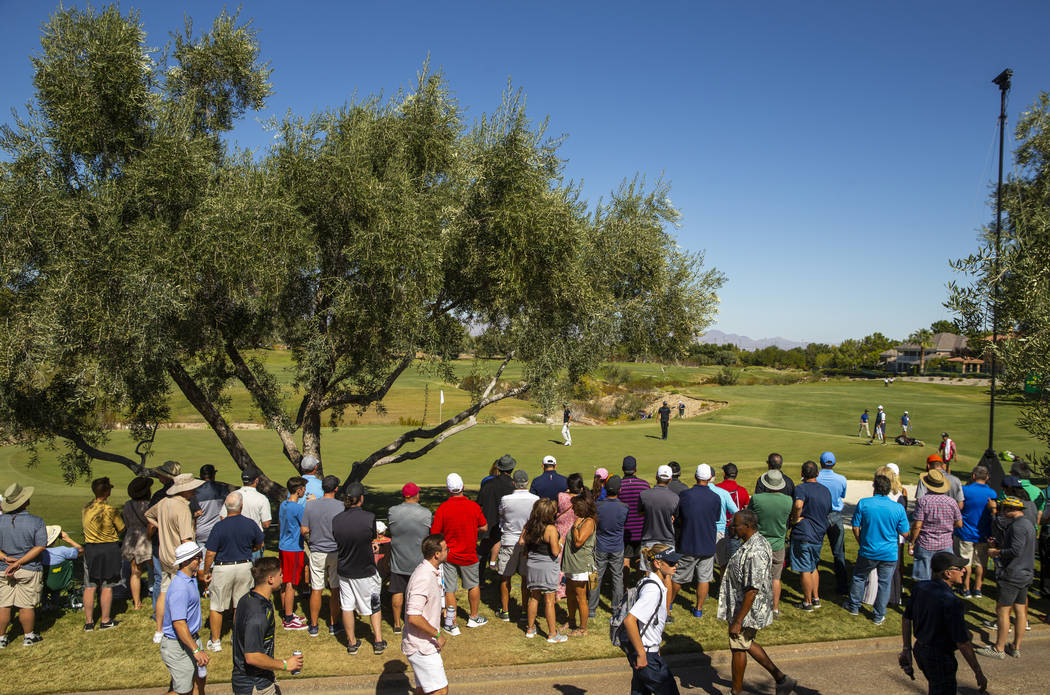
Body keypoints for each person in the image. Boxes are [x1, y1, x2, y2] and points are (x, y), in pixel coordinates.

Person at [718, 510, 797, 695]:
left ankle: (736, 692)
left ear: (748, 526)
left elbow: (752, 590)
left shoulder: (756, 551)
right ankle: (781, 679)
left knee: (738, 646)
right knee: (744, 643)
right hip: (742, 605)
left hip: (747, 608)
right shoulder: (750, 543)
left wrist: (738, 620)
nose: (732, 527)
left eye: (735, 524)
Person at [899, 551, 987, 695]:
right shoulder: (951, 601)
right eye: (959, 568)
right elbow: (963, 643)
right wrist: (978, 672)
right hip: (940, 658)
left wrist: (907, 648)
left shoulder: (920, 588)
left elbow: (906, 618)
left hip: (920, 651)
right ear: (947, 573)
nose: (964, 570)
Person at [231, 556, 304, 695]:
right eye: (280, 574)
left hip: (258, 679)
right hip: (255, 685)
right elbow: (252, 656)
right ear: (270, 579)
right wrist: (285, 664)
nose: (283, 578)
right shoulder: (258, 614)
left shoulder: (246, 599)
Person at [844, 474, 911, 626]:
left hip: (868, 550)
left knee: (859, 577)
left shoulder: (865, 504)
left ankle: (854, 606)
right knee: (884, 583)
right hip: (889, 553)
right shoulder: (897, 508)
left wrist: (861, 541)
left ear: (875, 488)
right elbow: (905, 532)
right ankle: (878, 614)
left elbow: (856, 527)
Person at [202, 491, 265, 650]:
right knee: (240, 603)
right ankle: (236, 636)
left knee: (217, 605)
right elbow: (260, 543)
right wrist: (251, 548)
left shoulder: (219, 526)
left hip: (224, 567)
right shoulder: (250, 523)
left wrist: (206, 570)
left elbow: (210, 552)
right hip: (244, 565)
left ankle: (215, 641)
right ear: (241, 506)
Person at [975, 496, 1036, 660]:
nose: (1002, 512)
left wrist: (997, 552)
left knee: (1002, 611)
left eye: (1004, 509)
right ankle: (1015, 647)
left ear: (1010, 509)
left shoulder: (1016, 527)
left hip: (1012, 574)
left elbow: (1015, 551)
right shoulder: (1028, 524)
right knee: (1021, 610)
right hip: (1025, 573)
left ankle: (999, 648)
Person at [146, 473, 203, 644]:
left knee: (164, 591)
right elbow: (187, 540)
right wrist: (197, 561)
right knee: (184, 593)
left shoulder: (163, 502)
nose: (194, 490)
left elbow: (148, 515)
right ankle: (183, 628)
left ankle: (159, 629)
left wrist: (161, 527)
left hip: (163, 554)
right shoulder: (183, 508)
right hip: (180, 557)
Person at [331, 481, 384, 655]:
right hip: (365, 570)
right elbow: (368, 537)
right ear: (361, 499)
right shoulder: (369, 517)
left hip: (345, 570)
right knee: (374, 604)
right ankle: (377, 640)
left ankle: (352, 643)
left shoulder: (337, 520)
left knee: (347, 606)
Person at [431, 473, 488, 635]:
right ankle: (474, 617)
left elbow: (435, 533)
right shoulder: (473, 506)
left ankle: (451, 623)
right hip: (468, 552)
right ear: (462, 487)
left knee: (449, 589)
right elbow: (484, 527)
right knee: (473, 585)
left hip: (448, 555)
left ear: (449, 491)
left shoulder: (443, 508)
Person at [623, 545, 681, 695]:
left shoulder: (648, 582)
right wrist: (642, 654)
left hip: (647, 652)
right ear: (658, 564)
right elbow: (629, 621)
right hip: (648, 657)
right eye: (671, 563)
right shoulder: (653, 590)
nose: (676, 565)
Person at [671, 464, 723, 619]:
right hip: (707, 542)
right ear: (709, 478)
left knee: (679, 577)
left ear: (695, 476)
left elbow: (679, 516)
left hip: (688, 542)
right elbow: (716, 517)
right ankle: (698, 609)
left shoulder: (686, 495)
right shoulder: (715, 497)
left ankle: (670, 603)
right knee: (704, 578)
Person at [402, 534, 451, 695]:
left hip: (422, 644)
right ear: (437, 554)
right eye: (445, 548)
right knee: (440, 690)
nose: (448, 550)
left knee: (423, 689)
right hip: (422, 646)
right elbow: (414, 616)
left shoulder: (430, 571)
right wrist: (437, 634)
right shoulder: (423, 577)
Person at [159, 542, 209, 695]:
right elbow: (179, 624)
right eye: (197, 558)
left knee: (199, 679)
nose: (201, 560)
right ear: (187, 561)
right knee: (183, 691)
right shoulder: (180, 588)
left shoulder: (190, 579)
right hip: (178, 646)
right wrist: (196, 650)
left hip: (190, 640)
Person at [0, 482, 46, 647]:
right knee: (26, 604)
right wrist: (19, 562)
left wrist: (6, 559)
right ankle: (28, 636)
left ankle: (2, 639)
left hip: (3, 569)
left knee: (4, 604)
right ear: (25, 501)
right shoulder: (36, 521)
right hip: (28, 568)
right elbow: (40, 546)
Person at [300, 474, 344, 637]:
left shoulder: (311, 506)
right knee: (334, 589)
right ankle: (333, 624)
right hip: (335, 551)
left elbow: (304, 529)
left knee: (316, 589)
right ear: (336, 489)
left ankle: (313, 625)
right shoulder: (341, 506)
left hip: (317, 551)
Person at [387, 482, 434, 633]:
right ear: (417, 496)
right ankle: (420, 619)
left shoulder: (392, 511)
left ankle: (396, 624)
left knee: (397, 591)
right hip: (419, 561)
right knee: (420, 592)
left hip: (398, 560)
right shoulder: (426, 513)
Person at [747, 470, 793, 617]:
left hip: (760, 542)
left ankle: (755, 606)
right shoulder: (788, 500)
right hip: (778, 543)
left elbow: (749, 515)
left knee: (756, 577)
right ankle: (774, 609)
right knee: (775, 578)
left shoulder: (757, 499)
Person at [862, 464, 908, 608]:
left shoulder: (897, 497)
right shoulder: (899, 496)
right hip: (891, 538)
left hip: (889, 538)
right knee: (889, 571)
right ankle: (888, 597)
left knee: (889, 571)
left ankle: (891, 597)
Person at [82, 477, 125, 631]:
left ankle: (89, 621)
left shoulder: (86, 508)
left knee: (90, 585)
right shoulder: (110, 510)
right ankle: (105, 620)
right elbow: (121, 528)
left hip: (91, 548)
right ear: (107, 492)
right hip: (108, 548)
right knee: (107, 586)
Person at [496, 470, 539, 622]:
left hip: (509, 540)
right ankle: (524, 611)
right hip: (527, 542)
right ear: (527, 483)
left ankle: (506, 611)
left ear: (514, 483)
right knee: (525, 578)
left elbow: (501, 516)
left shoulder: (505, 499)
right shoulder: (535, 499)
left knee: (505, 576)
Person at [522, 498, 566, 642]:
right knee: (549, 600)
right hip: (547, 565)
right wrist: (560, 543)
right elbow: (555, 551)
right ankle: (552, 634)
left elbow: (521, 541)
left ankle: (530, 628)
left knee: (534, 597)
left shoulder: (530, 526)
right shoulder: (551, 529)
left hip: (533, 563)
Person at [789, 461, 830, 611]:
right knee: (813, 566)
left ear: (802, 474)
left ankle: (807, 602)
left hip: (804, 533)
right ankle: (816, 597)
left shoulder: (801, 488)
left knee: (805, 568)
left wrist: (795, 518)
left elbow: (798, 505)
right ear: (817, 473)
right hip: (819, 533)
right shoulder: (825, 490)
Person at [910, 470, 963, 581]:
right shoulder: (952, 502)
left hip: (926, 543)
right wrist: (946, 526)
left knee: (923, 579)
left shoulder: (923, 501)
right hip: (945, 543)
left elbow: (917, 525)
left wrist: (912, 541)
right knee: (944, 578)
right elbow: (959, 523)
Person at [589, 475, 628, 619]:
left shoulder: (598, 506)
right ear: (619, 490)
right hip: (615, 546)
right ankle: (616, 607)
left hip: (601, 546)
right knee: (617, 577)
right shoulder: (624, 507)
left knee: (596, 576)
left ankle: (592, 608)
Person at [955, 466, 997, 598]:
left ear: (973, 476)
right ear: (987, 478)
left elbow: (959, 508)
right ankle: (978, 588)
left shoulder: (965, 490)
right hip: (983, 532)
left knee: (966, 561)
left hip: (966, 530)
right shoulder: (992, 493)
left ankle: (966, 588)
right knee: (981, 562)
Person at [477, 455, 516, 584]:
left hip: (489, 522)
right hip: (508, 524)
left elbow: (479, 504)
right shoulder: (513, 486)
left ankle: (479, 579)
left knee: (483, 551)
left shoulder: (489, 484)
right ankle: (504, 580)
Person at [816, 451, 850, 595]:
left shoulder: (815, 478)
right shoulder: (841, 479)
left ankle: (813, 585)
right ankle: (842, 586)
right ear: (834, 463)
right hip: (835, 516)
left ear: (821, 462)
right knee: (838, 553)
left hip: (818, 516)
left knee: (815, 550)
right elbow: (842, 495)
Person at [563, 494, 597, 635]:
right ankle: (571, 621)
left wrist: (576, 527)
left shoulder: (588, 522)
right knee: (570, 593)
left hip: (581, 565)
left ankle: (583, 628)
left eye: (575, 506)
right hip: (572, 564)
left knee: (580, 597)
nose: (572, 509)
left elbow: (578, 542)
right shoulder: (581, 520)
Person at [277, 477, 308, 630]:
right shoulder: (298, 508)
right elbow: (305, 528)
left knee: (285, 580)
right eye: (303, 488)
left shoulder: (284, 504)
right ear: (298, 490)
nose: (304, 491)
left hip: (283, 546)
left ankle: (286, 612)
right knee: (292, 583)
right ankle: (289, 619)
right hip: (294, 548)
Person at [122, 477, 154, 610]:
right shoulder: (148, 505)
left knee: (135, 571)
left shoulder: (127, 505)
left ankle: (136, 603)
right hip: (145, 537)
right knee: (156, 567)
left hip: (131, 538)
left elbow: (126, 523)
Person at [222, 468, 272, 552]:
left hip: (234, 539)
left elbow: (223, 518)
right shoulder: (262, 499)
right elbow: (266, 524)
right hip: (254, 541)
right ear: (256, 480)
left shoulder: (232, 495)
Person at [639, 465, 680, 568]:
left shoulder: (644, 495)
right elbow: (675, 516)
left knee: (649, 572)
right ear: (670, 479)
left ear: (656, 476)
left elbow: (640, 513)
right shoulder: (675, 498)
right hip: (667, 540)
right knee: (667, 573)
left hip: (649, 539)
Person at [619, 456, 651, 576]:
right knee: (639, 559)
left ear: (623, 469)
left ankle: (625, 588)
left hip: (625, 530)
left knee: (625, 559)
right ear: (635, 469)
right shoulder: (644, 485)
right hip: (641, 529)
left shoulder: (619, 486)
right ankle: (639, 586)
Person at [195, 465, 231, 547]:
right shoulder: (222, 489)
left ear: (201, 476)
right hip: (218, 532)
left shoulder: (194, 492)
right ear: (214, 475)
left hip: (201, 533)